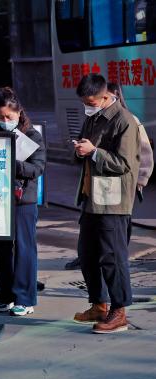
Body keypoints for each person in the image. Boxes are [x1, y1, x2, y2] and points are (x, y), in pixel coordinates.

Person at [72, 74, 140, 334]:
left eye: (90, 101)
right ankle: (99, 304)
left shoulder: (124, 121)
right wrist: (80, 150)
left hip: (113, 201)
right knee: (87, 254)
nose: (87, 106)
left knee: (112, 257)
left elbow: (125, 164)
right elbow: (83, 147)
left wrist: (94, 152)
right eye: (84, 103)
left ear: (105, 96)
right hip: (91, 197)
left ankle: (119, 311)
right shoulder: (92, 116)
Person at [0, 87, 46, 316]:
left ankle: (25, 298)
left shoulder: (32, 136)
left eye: (9, 117)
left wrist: (14, 163)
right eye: (1, 117)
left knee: (24, 248)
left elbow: (38, 168)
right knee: (2, 249)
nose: (5, 121)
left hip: (24, 200)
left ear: (19, 113)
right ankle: (7, 295)